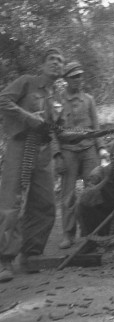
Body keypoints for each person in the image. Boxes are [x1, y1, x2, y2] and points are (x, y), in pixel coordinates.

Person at [0, 47, 65, 282]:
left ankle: (31, 255)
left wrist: (94, 134)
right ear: (42, 64)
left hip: (44, 151)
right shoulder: (27, 82)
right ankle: (5, 259)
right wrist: (29, 117)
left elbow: (60, 131)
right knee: (11, 202)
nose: (56, 63)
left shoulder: (57, 98)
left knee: (45, 204)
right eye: (51, 59)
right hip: (21, 146)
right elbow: (3, 100)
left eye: (60, 61)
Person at [56, 61, 106, 249]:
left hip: (88, 149)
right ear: (66, 79)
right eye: (74, 76)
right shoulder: (57, 101)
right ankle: (68, 234)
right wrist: (57, 155)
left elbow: (96, 126)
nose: (78, 79)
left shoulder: (89, 100)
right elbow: (52, 131)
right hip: (68, 150)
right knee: (68, 194)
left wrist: (101, 148)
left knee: (93, 190)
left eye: (80, 76)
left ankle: (93, 232)